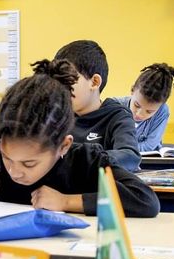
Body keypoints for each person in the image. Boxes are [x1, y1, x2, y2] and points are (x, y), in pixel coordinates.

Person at [0, 60, 158, 217]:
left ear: (63, 145)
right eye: (8, 158)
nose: (15, 171)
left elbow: (144, 200)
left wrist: (66, 202)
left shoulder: (86, 161)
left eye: (29, 163)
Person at [54, 40, 141, 170]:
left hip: (97, 189)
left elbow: (130, 157)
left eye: (66, 81)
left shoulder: (118, 116)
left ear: (94, 82)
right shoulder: (58, 116)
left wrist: (76, 156)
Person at [113, 63, 174, 153]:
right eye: (136, 105)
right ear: (132, 90)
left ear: (161, 106)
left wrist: (123, 148)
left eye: (149, 111)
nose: (139, 114)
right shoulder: (114, 105)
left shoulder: (162, 112)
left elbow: (149, 146)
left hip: (148, 162)